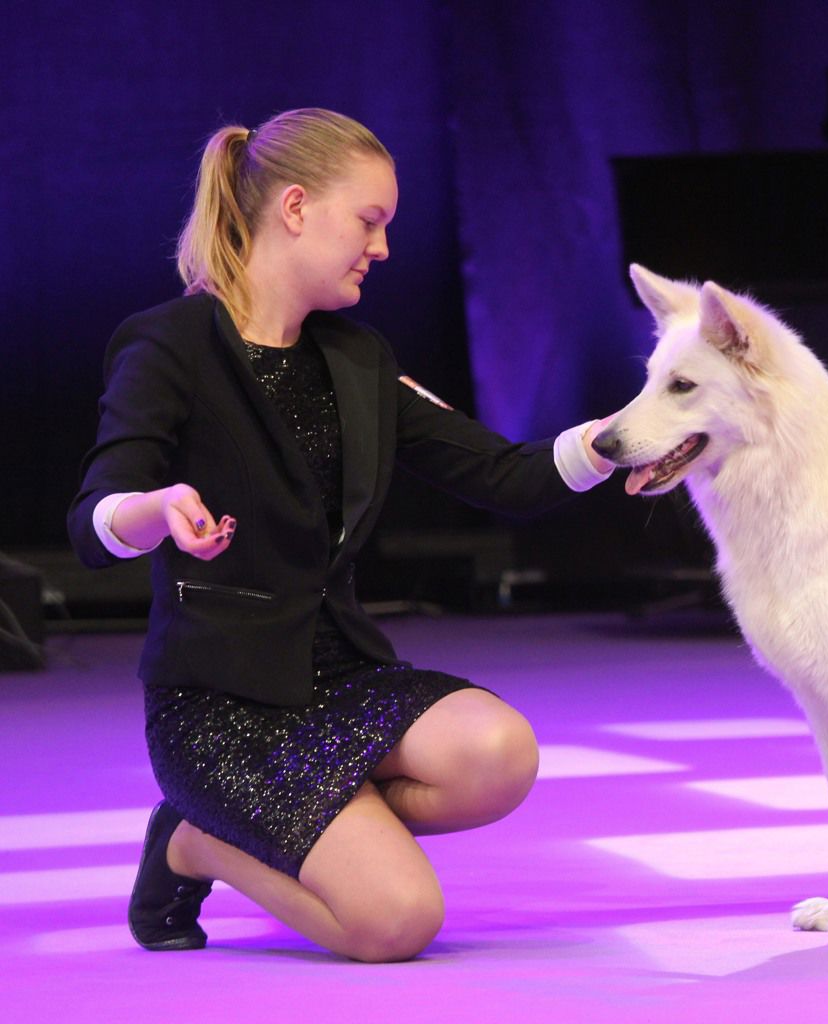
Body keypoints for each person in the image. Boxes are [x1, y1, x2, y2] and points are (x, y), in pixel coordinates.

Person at [66, 108, 614, 962]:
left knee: (499, 751)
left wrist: (620, 441)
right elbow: (96, 516)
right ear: (294, 209)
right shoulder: (168, 345)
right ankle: (195, 840)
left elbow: (503, 474)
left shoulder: (358, 357)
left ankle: (296, 820)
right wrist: (153, 508)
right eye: (370, 220)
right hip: (222, 709)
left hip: (341, 685)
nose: (383, 247)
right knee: (394, 924)